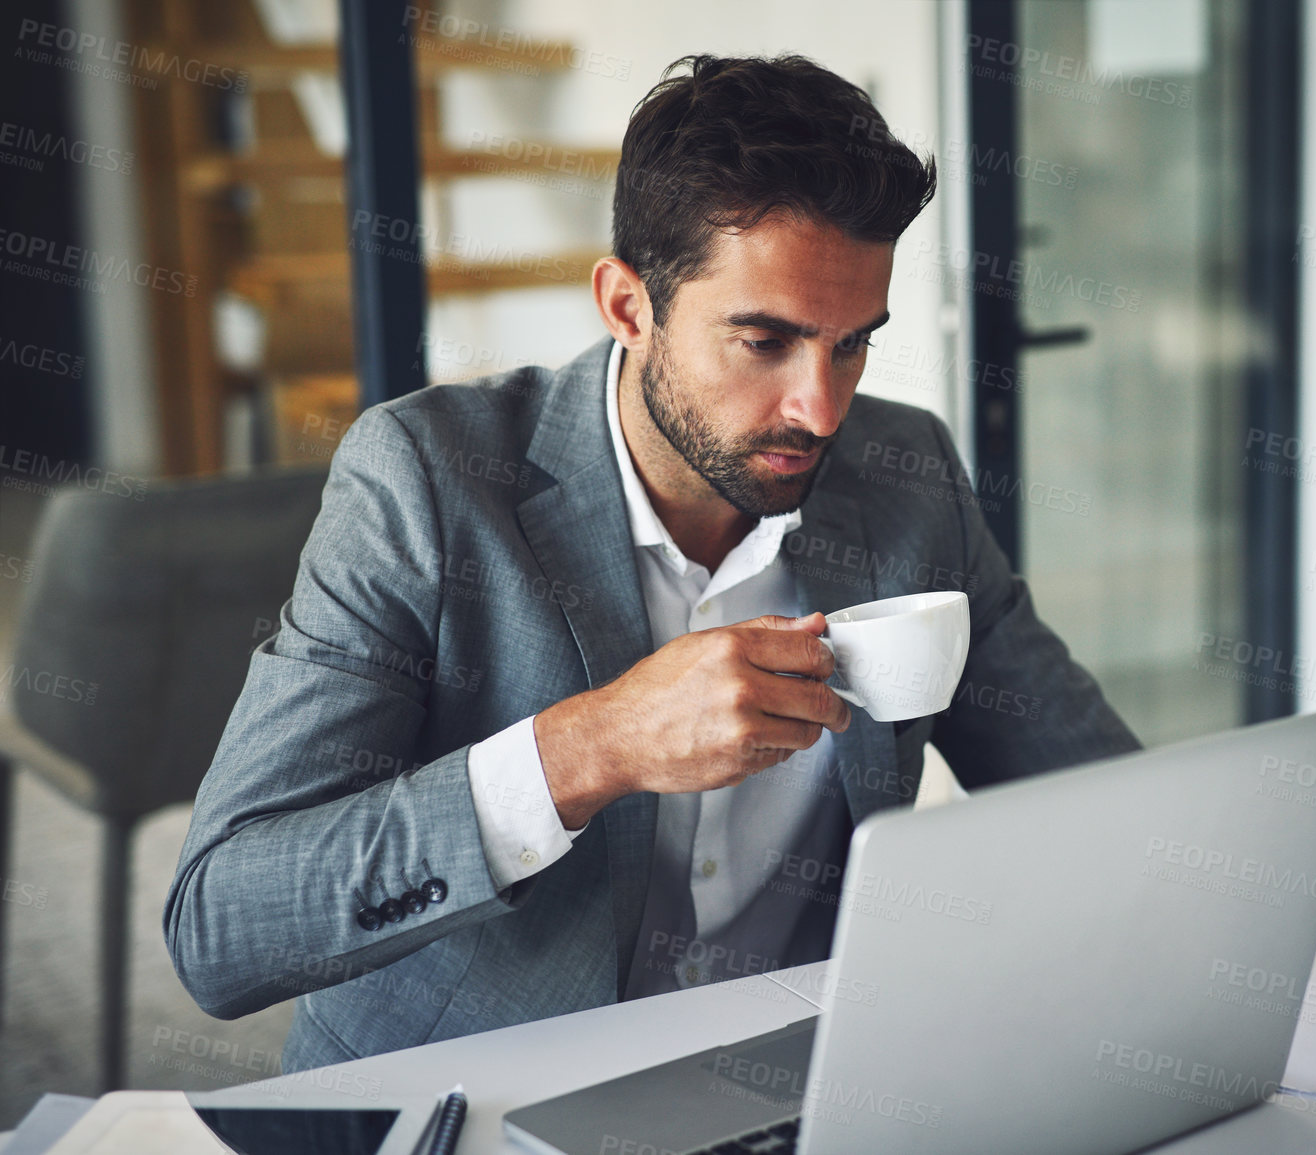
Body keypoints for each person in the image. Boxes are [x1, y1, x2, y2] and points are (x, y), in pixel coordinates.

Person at [164, 53, 1139, 1070]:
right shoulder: (425, 480)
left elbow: (1102, 800)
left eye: (853, 344)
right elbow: (224, 926)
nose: (822, 408)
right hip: (483, 1091)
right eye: (765, 341)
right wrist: (592, 751)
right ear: (629, 308)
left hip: (796, 1089)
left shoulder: (907, 475)